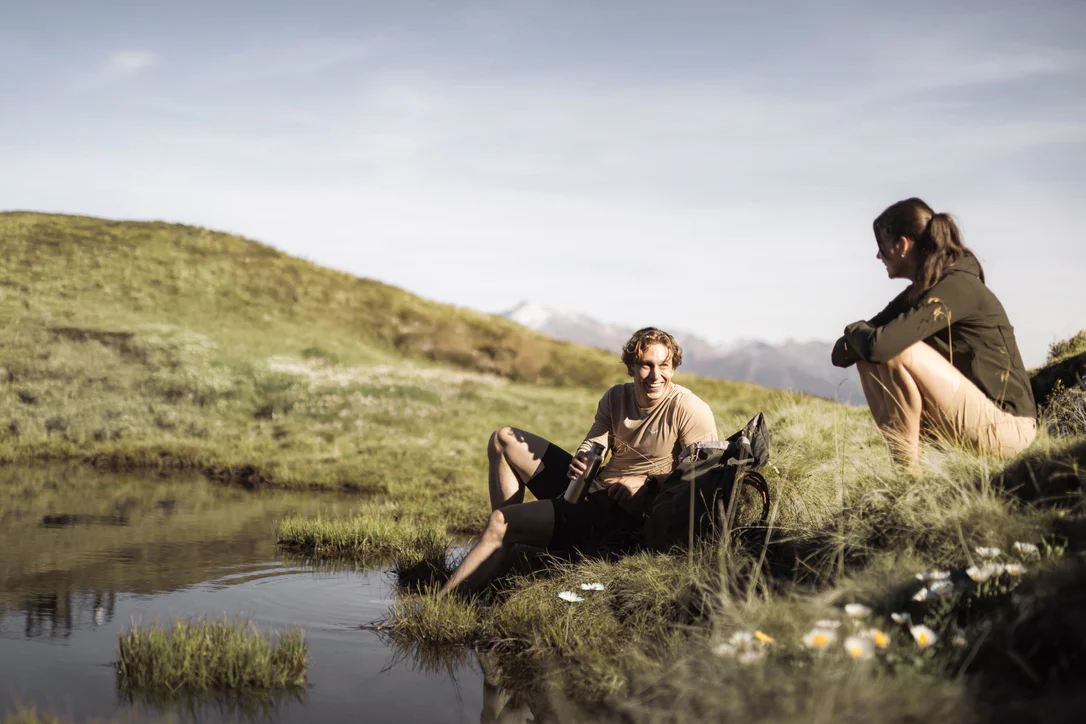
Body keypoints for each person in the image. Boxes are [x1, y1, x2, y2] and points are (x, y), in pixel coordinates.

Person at [441, 327, 717, 595]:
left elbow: (704, 477)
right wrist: (583, 456)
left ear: (673, 367)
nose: (656, 375)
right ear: (631, 367)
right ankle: (503, 547)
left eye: (664, 365)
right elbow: (595, 441)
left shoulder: (688, 408)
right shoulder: (616, 397)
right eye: (646, 365)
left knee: (502, 522)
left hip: (620, 515)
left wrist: (647, 482)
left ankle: (442, 605)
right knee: (503, 439)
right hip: (587, 489)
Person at [832, 197, 1037, 469]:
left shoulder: (959, 287)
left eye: (881, 247)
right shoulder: (920, 292)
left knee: (896, 350)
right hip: (968, 420)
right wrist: (858, 335)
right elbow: (842, 354)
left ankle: (906, 477)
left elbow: (880, 345)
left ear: (902, 245)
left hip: (1009, 429)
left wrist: (854, 329)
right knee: (868, 357)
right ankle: (908, 467)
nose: (878, 256)